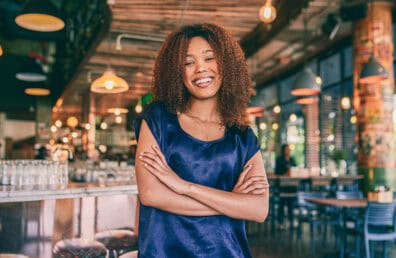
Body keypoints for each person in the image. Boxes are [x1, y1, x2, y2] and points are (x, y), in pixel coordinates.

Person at [133, 23, 269, 257]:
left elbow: (258, 209)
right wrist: (232, 203)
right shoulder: (158, 120)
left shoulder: (243, 137)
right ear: (177, 71)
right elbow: (151, 194)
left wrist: (185, 187)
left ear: (226, 64)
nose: (200, 69)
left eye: (209, 58)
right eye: (188, 62)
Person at [274, 144, 297, 228]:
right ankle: (280, 222)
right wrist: (284, 173)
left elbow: (295, 169)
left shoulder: (292, 159)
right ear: (283, 150)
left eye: (289, 149)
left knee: (291, 203)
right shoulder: (279, 160)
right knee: (282, 203)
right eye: (286, 149)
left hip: (291, 186)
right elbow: (277, 172)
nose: (288, 151)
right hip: (282, 186)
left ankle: (291, 220)